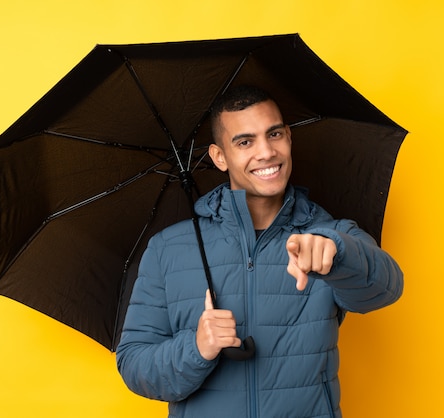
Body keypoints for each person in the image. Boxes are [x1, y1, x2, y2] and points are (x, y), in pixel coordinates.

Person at [116, 85, 403, 418]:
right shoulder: (168, 249)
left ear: (289, 138)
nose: (266, 152)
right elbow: (134, 365)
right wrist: (196, 348)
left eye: (275, 134)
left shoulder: (330, 235)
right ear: (219, 156)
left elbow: (387, 287)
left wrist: (337, 254)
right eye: (245, 142)